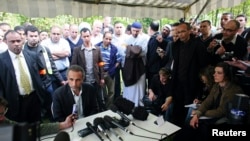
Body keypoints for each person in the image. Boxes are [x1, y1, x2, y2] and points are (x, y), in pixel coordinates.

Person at [174, 62, 244, 141]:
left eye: (219, 73)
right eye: (215, 72)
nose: (214, 75)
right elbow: (207, 102)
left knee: (195, 129)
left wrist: (199, 113)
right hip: (213, 114)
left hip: (225, 118)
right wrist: (197, 114)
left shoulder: (233, 90)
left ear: (227, 75)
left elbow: (221, 111)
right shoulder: (217, 85)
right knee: (189, 128)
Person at [0, 30, 46, 123]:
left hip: (34, 98)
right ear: (5, 42)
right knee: (19, 131)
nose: (16, 44)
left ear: (23, 40)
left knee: (36, 127)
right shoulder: (1, 60)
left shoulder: (32, 55)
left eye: (18, 41)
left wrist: (42, 85)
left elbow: (42, 71)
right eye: (12, 42)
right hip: (15, 102)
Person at [170, 22, 209, 127]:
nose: (180, 34)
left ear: (189, 31)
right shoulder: (176, 45)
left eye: (183, 31)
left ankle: (186, 131)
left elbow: (203, 66)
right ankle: (175, 129)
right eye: (178, 32)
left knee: (188, 109)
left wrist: (200, 87)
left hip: (192, 84)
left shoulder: (198, 45)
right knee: (177, 108)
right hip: (178, 83)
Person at [0, 96, 75, 136]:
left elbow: (30, 130)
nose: (2, 117)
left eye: (3, 113)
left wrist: (63, 124)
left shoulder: (4, 121)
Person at [122, 21, 149, 107]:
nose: (135, 32)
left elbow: (143, 52)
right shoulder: (126, 38)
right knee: (129, 87)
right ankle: (128, 104)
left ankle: (139, 105)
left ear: (140, 30)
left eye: (137, 31)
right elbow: (124, 51)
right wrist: (135, 49)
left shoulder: (145, 39)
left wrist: (130, 48)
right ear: (131, 29)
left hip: (140, 66)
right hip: (129, 66)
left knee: (140, 87)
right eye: (134, 30)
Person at [95, 31, 122, 108]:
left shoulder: (114, 48)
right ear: (103, 38)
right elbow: (95, 60)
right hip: (100, 73)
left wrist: (113, 68)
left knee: (111, 91)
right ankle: (102, 107)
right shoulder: (97, 47)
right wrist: (100, 69)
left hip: (110, 73)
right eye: (106, 38)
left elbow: (118, 60)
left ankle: (109, 107)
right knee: (102, 92)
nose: (108, 41)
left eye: (110, 39)